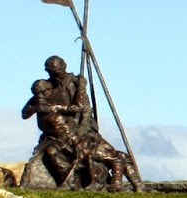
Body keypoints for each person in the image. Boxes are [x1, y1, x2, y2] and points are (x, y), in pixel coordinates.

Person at [21, 56, 129, 189]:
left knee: (102, 153)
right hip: (56, 133)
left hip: (77, 130)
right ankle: (68, 181)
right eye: (51, 71)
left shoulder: (75, 83)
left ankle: (116, 182)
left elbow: (83, 108)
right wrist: (37, 107)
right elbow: (25, 113)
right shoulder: (46, 87)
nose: (55, 74)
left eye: (57, 70)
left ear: (64, 67)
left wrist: (82, 127)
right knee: (50, 153)